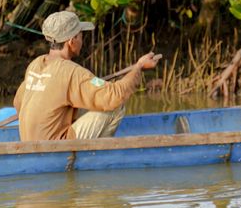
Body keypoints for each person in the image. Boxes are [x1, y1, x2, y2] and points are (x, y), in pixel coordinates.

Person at [12, 10, 161, 142]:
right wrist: (139, 67)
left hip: (28, 142)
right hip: (54, 147)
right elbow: (115, 95)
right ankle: (96, 155)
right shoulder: (72, 72)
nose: (82, 40)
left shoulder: (36, 64)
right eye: (81, 35)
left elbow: (18, 104)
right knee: (115, 107)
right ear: (71, 41)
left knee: (83, 104)